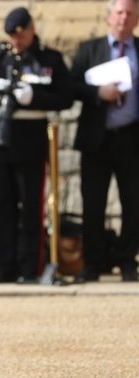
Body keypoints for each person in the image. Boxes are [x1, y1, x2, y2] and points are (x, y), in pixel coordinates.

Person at [0, 7, 73, 283]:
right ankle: (4, 266)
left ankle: (29, 266)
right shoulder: (1, 56)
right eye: (12, 36)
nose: (17, 42)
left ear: (32, 30)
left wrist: (34, 97)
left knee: (31, 207)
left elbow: (65, 97)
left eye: (21, 35)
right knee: (2, 205)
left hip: (31, 135)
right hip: (2, 137)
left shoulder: (50, 59)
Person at [71, 0, 139, 283]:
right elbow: (72, 85)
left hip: (131, 137)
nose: (124, 18)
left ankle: (127, 261)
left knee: (133, 203)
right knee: (93, 204)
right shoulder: (89, 49)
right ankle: (93, 263)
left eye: (130, 13)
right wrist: (98, 93)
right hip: (97, 139)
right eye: (119, 12)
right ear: (109, 17)